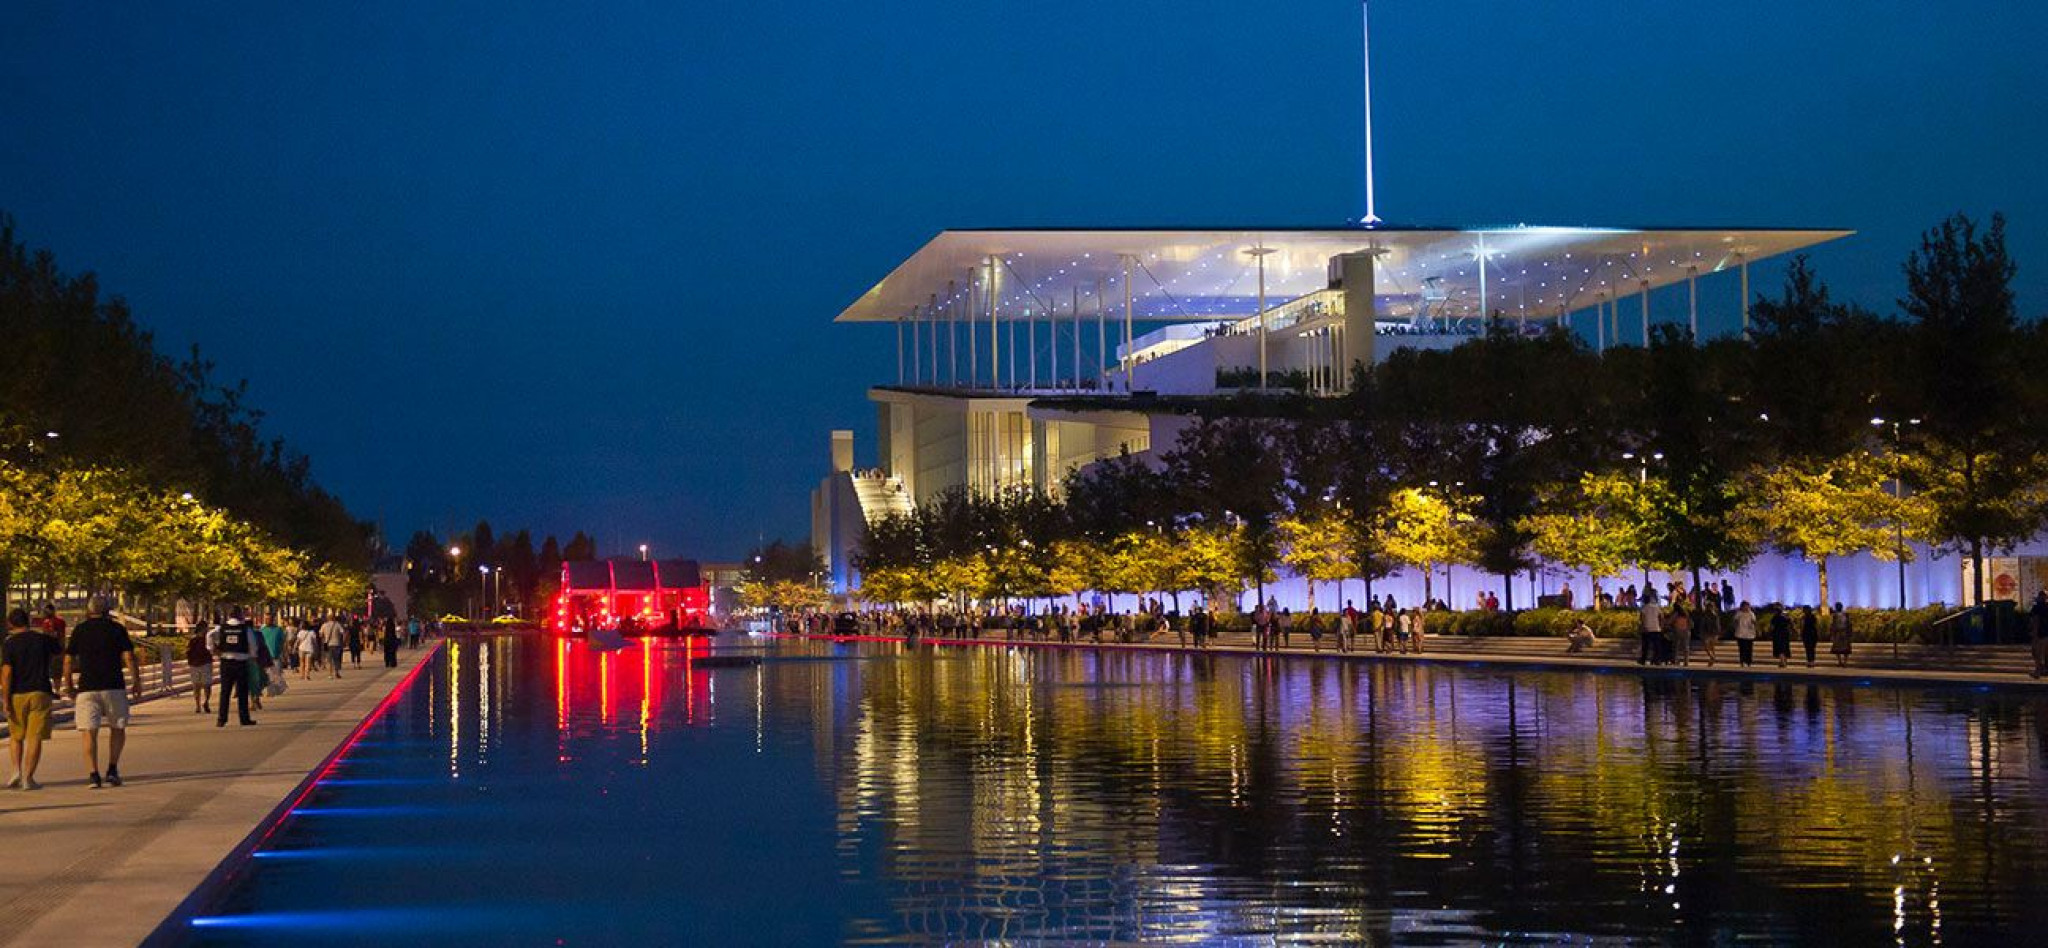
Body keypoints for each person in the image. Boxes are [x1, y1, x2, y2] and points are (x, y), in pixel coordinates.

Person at [62, 597, 140, 789]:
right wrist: (136, 681)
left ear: (88, 611)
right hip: (113, 685)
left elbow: (68, 660)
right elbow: (129, 657)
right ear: (107, 611)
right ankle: (112, 769)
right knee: (118, 727)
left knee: (88, 732)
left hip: (87, 687)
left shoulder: (80, 630)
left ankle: (93, 774)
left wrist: (69, 684)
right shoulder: (117, 629)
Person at [4, 608, 61, 790]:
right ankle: (28, 777)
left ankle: (16, 772)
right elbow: (59, 648)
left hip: (17, 694)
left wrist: (5, 699)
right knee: (35, 737)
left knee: (16, 736)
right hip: (40, 692)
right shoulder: (42, 640)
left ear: (10, 624)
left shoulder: (9, 644)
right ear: (27, 621)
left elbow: (6, 673)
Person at [214, 605, 259, 727]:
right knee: (242, 692)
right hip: (241, 662)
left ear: (229, 615)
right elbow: (252, 644)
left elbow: (209, 636)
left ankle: (221, 719)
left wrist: (213, 649)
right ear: (240, 615)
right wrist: (253, 656)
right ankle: (244, 719)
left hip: (226, 662)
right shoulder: (245, 629)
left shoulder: (221, 628)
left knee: (225, 691)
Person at [186, 622, 214, 714]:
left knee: (202, 685)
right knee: (202, 685)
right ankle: (202, 703)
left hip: (200, 664)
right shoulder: (199, 639)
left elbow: (188, 652)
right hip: (200, 664)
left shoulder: (204, 639)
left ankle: (202, 704)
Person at [1637, 589, 1662, 665]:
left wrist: (1643, 626)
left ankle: (1643, 660)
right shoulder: (1656, 607)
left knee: (1646, 646)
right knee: (1656, 646)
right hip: (1656, 628)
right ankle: (1657, 660)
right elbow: (1661, 616)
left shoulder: (1644, 608)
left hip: (1647, 629)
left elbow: (1642, 618)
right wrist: (1661, 625)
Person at [1696, 599, 1722, 666]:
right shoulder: (1707, 614)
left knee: (1710, 645)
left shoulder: (1713, 614)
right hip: (1708, 632)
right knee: (1708, 646)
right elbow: (1702, 623)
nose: (1711, 608)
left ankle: (1712, 657)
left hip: (1710, 632)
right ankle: (1712, 656)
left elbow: (1717, 624)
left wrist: (1718, 632)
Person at [1829, 603, 1853, 667]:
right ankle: (1840, 661)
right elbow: (1833, 625)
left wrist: (1849, 632)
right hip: (1838, 633)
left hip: (1844, 633)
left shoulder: (1845, 615)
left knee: (1845, 649)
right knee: (1838, 649)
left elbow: (1849, 624)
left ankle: (1844, 662)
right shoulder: (1835, 615)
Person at [2031, 591, 2048, 678]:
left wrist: (2034, 633)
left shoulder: (2037, 608)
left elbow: (2035, 620)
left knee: (2037, 652)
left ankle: (2038, 670)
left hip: (2040, 633)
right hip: (2045, 633)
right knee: (2044, 653)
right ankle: (2043, 669)